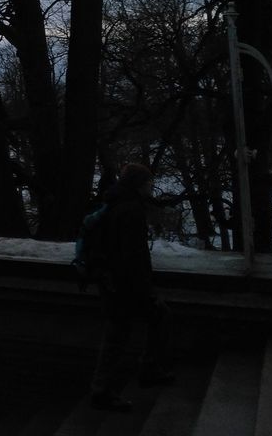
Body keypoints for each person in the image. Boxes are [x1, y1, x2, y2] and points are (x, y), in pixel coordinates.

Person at [89, 162, 174, 411]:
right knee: (121, 335)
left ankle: (114, 384)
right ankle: (104, 390)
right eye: (149, 182)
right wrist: (146, 290)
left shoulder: (114, 203)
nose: (152, 187)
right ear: (139, 184)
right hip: (124, 287)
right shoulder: (131, 210)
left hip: (113, 284)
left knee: (124, 333)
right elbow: (133, 257)